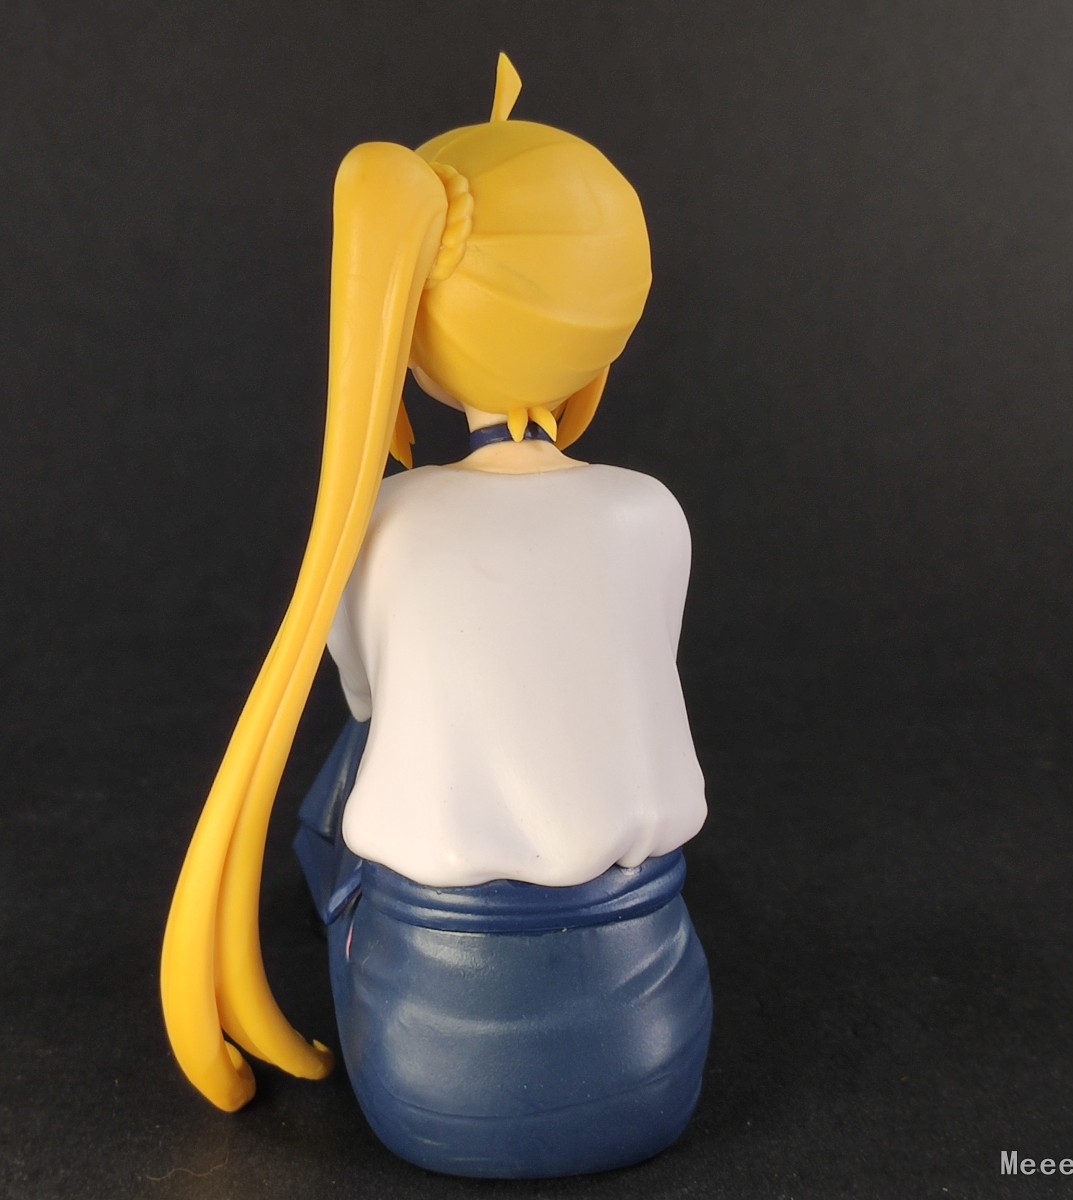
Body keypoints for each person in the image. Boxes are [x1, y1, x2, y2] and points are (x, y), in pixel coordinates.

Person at [161, 54, 710, 1178]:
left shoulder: (384, 523)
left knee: (360, 744)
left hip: (429, 1068)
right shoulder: (649, 515)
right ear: (609, 319)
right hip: (655, 1035)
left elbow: (370, 696)